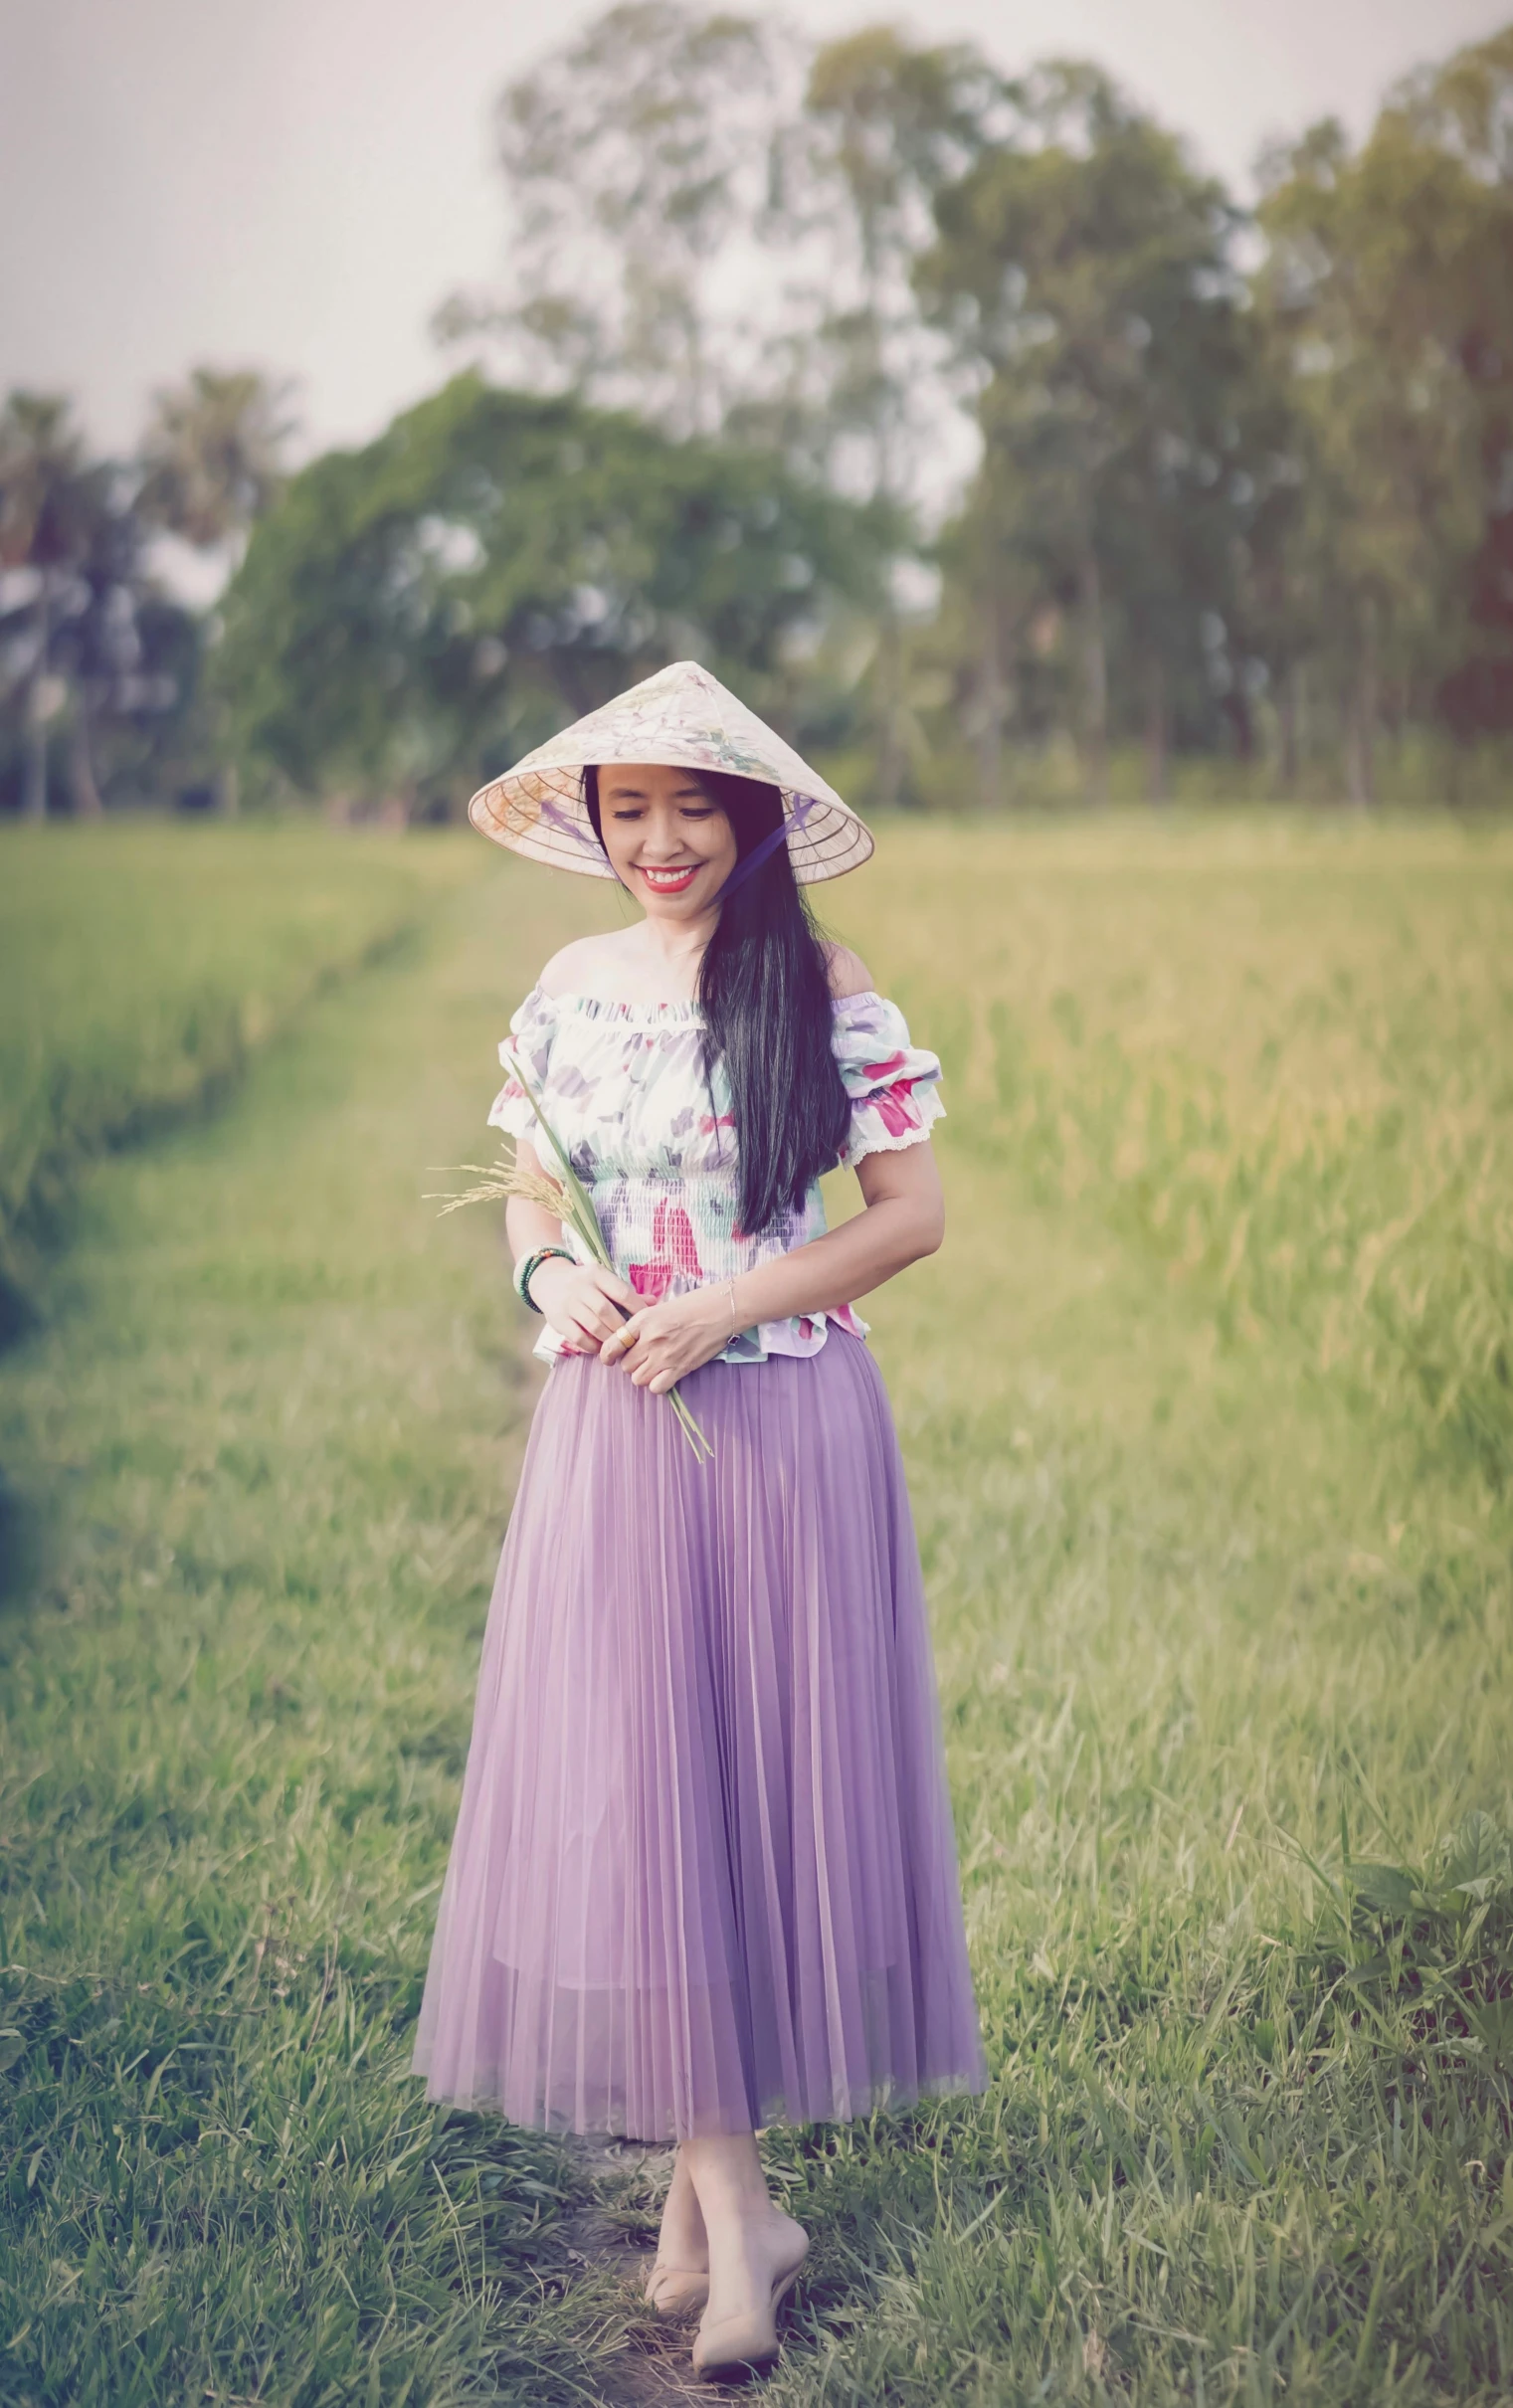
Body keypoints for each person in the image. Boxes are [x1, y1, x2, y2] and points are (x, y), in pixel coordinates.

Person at [412, 660, 986, 2383]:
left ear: (750, 818)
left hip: (783, 1413)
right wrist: (553, 1268)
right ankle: (740, 2219)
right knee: (645, 1782)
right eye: (631, 808)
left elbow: (912, 1216)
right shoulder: (572, 984)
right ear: (596, 823)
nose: (661, 840)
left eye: (694, 807)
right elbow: (530, 1181)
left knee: (743, 1783)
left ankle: (720, 2223)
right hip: (612, 1425)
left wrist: (727, 1310)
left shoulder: (817, 981)